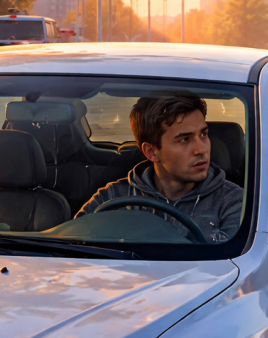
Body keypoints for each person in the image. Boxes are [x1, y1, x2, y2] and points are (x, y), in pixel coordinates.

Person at [77, 93, 244, 241]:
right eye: (184, 139)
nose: (202, 149)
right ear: (151, 152)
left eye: (203, 134)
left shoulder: (235, 202)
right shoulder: (111, 198)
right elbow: (72, 247)